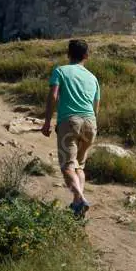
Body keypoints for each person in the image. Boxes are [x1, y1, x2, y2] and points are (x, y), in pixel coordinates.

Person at [42, 39, 100, 217]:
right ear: (86, 56)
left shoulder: (60, 71)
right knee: (79, 167)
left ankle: (80, 197)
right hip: (90, 123)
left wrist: (47, 121)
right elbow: (96, 105)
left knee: (67, 166)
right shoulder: (93, 78)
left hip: (69, 121)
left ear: (68, 55)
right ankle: (77, 206)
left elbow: (53, 95)